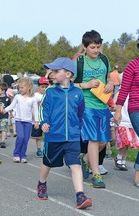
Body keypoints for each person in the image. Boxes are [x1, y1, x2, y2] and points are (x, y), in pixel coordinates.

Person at [38, 57, 92, 209]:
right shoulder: (50, 92)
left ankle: (80, 196)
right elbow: (43, 109)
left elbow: (80, 113)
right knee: (47, 163)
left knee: (75, 165)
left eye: (56, 71)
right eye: (51, 71)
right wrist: (44, 122)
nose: (51, 74)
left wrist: (77, 129)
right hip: (54, 135)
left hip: (73, 137)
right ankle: (42, 183)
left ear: (68, 74)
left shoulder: (78, 93)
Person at [74, 30, 113, 188]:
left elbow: (109, 78)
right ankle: (96, 174)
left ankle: (85, 160)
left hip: (102, 104)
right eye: (92, 47)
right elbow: (68, 84)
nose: (96, 50)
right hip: (86, 105)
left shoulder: (104, 59)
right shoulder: (78, 62)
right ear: (84, 47)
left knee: (104, 141)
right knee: (94, 139)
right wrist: (86, 85)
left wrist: (110, 83)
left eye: (98, 46)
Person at [114, 40, 139, 187]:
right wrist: (118, 111)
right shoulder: (133, 65)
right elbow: (124, 89)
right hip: (136, 108)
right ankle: (137, 174)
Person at [3, 77, 39, 163]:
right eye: (19, 87)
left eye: (22, 87)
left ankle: (23, 155)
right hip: (19, 120)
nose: (20, 89)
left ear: (28, 87)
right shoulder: (18, 97)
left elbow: (35, 110)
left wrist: (37, 121)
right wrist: (4, 110)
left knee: (26, 139)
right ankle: (16, 154)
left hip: (28, 122)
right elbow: (12, 106)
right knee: (20, 137)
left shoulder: (33, 98)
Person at [113, 73, 139, 171]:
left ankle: (122, 160)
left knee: (128, 143)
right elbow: (114, 104)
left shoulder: (134, 92)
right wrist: (115, 113)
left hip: (131, 120)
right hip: (122, 120)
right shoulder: (119, 93)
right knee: (125, 141)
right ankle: (119, 158)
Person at [31, 77, 49, 158]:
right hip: (37, 119)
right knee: (38, 137)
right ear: (38, 87)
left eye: (46, 87)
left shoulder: (48, 95)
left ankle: (46, 149)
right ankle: (39, 149)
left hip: (46, 119)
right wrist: (36, 120)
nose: (44, 89)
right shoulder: (35, 96)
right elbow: (32, 108)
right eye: (42, 87)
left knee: (47, 135)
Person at [0, 82, 11, 148]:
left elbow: (10, 107)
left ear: (3, 91)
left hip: (4, 116)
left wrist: (11, 113)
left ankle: (3, 141)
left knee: (3, 129)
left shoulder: (7, 99)